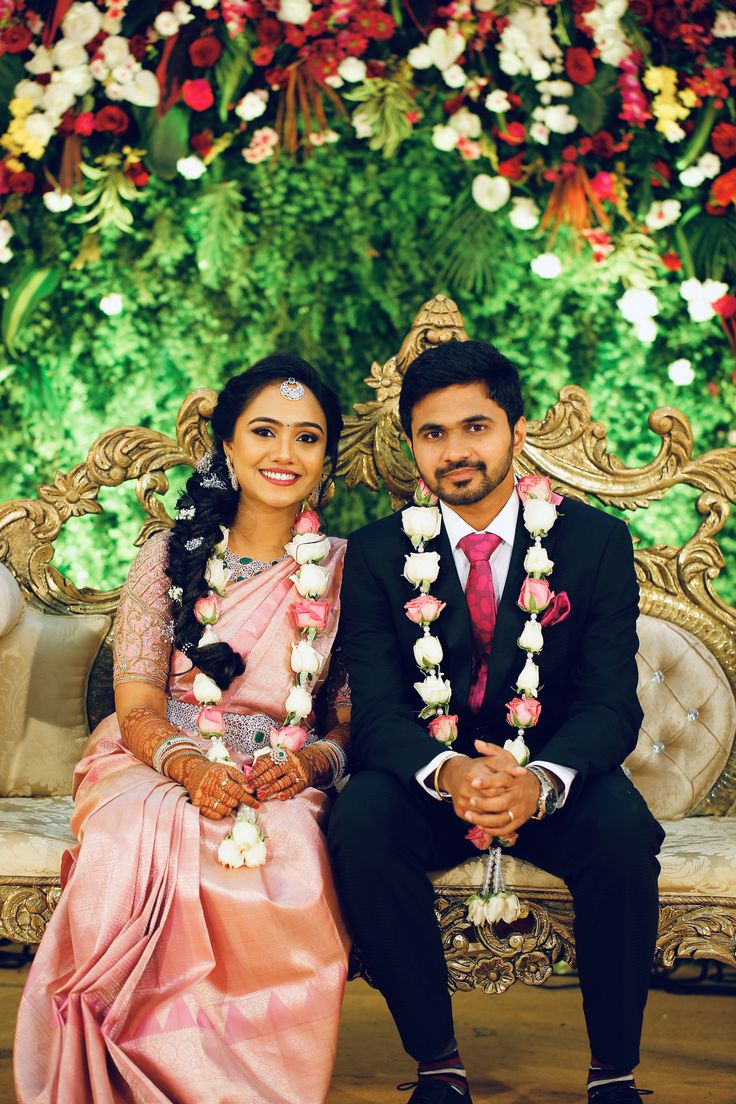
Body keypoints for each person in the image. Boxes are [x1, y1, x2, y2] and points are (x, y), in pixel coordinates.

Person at [329, 339, 664, 1104]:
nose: (455, 451)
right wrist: (449, 771)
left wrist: (539, 782)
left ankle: (614, 1070)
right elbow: (376, 709)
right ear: (411, 442)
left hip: (550, 777)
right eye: (433, 433)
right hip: (430, 778)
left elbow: (612, 703)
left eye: (475, 426)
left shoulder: (594, 542)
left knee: (624, 834)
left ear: (515, 430)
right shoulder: (379, 555)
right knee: (362, 822)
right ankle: (437, 1063)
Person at [14, 355, 351, 1104]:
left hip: (280, 765)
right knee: (129, 837)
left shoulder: (344, 571)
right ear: (227, 445)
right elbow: (134, 702)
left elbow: (349, 720)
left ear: (326, 457)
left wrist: (312, 765)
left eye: (307, 438)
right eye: (264, 431)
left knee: (289, 851)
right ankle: (128, 1070)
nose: (284, 454)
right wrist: (192, 769)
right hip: (159, 756)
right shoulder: (168, 557)